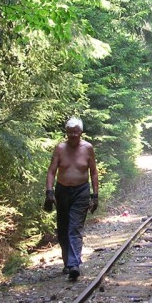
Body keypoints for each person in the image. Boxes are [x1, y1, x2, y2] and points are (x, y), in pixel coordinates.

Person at [45, 117, 99, 280]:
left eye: (76, 133)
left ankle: (74, 264)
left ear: (81, 132)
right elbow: (51, 171)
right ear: (67, 133)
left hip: (81, 191)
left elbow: (93, 172)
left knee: (74, 228)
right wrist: (49, 192)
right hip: (62, 191)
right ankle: (68, 262)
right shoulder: (60, 148)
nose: (73, 136)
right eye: (70, 133)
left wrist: (95, 195)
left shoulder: (88, 148)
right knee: (63, 229)